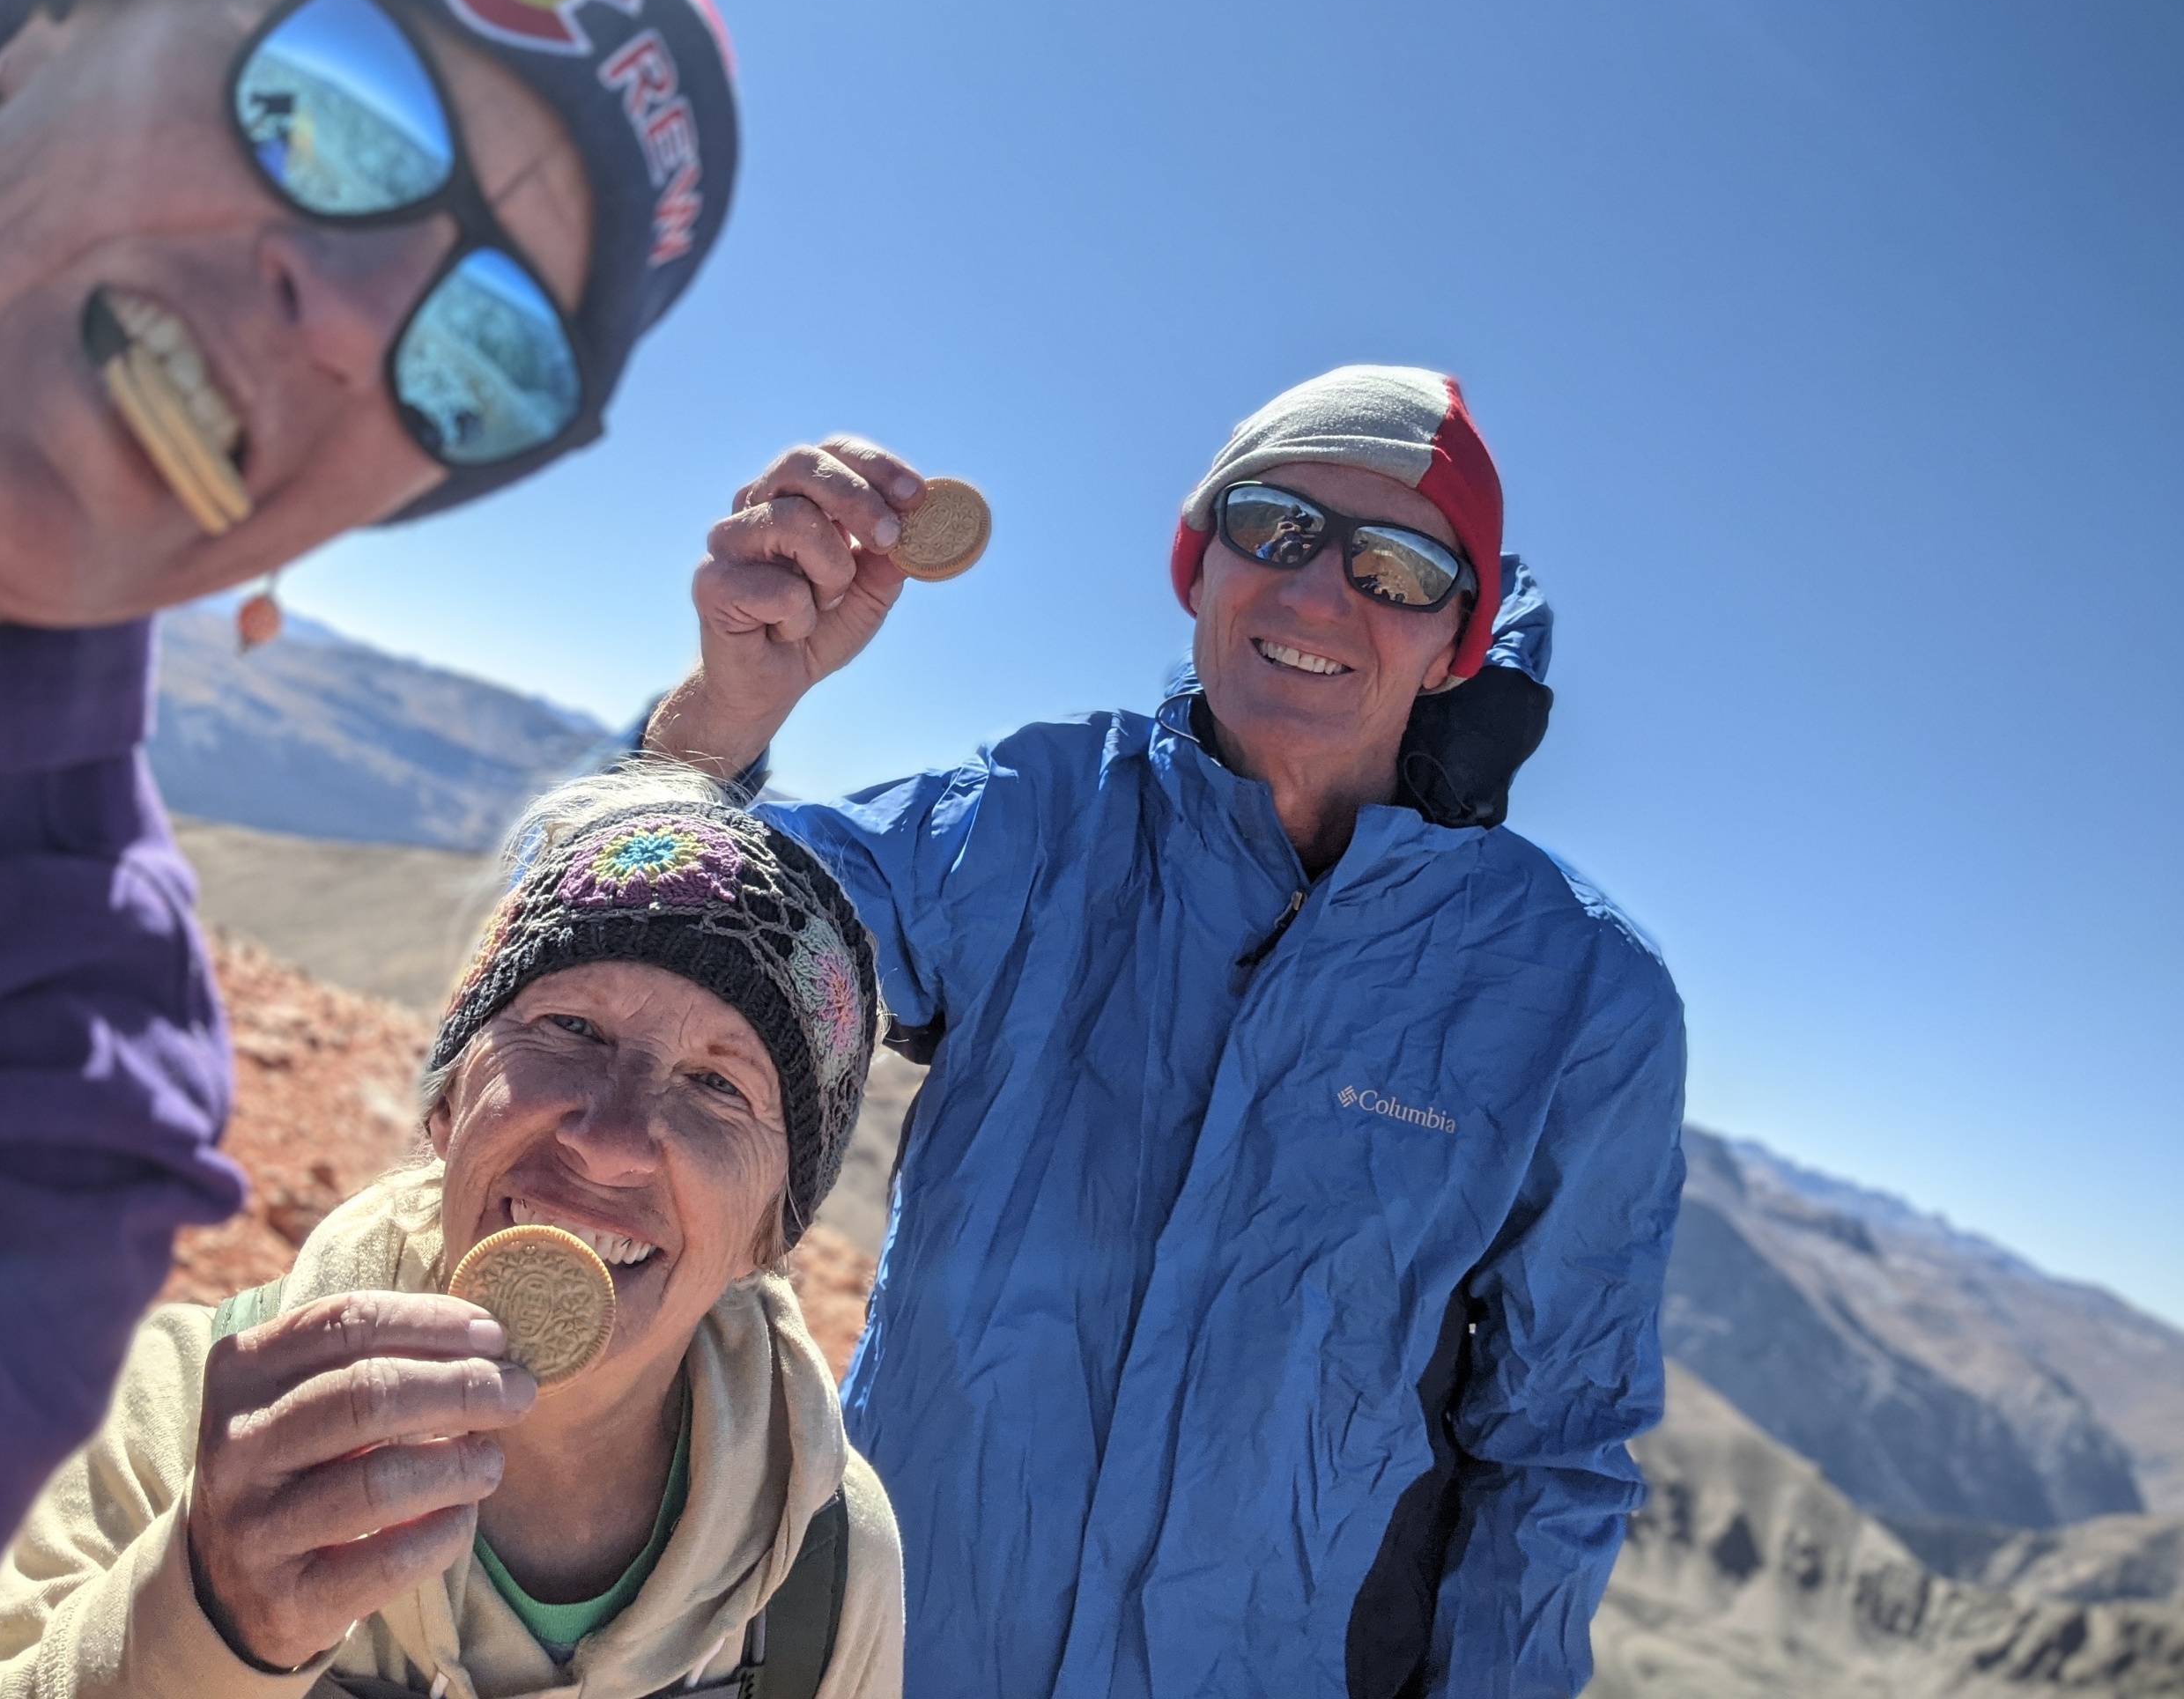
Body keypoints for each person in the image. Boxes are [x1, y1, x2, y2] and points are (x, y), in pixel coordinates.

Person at [0, 0, 735, 1678]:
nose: (356, 319)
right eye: (343, 98)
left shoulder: (54, 1066)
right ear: (61, 22)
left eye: (486, 356)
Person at [643, 366, 1690, 1697]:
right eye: (1275, 527)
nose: (1317, 595)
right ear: (1199, 566)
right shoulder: (1032, 819)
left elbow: (1556, 1448)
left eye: (1399, 568)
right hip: (890, 1663)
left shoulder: (1580, 994)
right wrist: (732, 705)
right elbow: (638, 966)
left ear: (1458, 643)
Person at [0, 772, 905, 1699]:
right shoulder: (181, 1410)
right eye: (570, 1027)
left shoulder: (827, 1563)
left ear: (770, 1236)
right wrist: (202, 1616)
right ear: (450, 1103)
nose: (610, 1142)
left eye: (717, 1086)